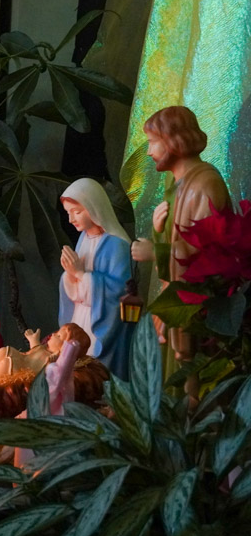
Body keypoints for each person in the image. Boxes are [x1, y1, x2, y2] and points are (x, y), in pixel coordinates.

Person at [131, 106, 232, 362]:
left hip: (199, 313)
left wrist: (155, 252)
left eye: (154, 142)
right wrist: (157, 232)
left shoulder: (204, 184)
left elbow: (207, 253)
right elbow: (180, 242)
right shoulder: (179, 186)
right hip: (177, 304)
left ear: (175, 141)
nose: (150, 151)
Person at [58, 178, 133, 380]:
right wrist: (70, 274)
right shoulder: (83, 239)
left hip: (103, 322)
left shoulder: (117, 245)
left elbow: (120, 291)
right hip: (81, 316)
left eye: (77, 211)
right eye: (68, 213)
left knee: (94, 374)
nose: (71, 219)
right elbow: (74, 281)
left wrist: (81, 275)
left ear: (94, 207)